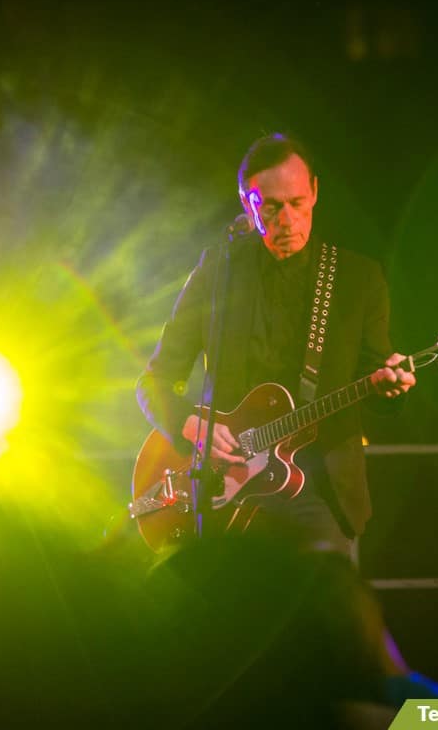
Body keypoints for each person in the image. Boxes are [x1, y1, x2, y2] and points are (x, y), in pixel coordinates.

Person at [135, 132, 415, 557]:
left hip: (320, 491)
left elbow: (378, 385)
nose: (287, 220)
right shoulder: (217, 271)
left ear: (315, 191)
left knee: (329, 599)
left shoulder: (357, 279)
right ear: (247, 203)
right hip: (225, 490)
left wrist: (392, 387)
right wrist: (190, 426)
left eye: (298, 203)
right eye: (271, 206)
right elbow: (154, 381)